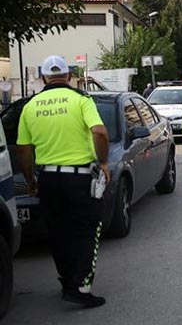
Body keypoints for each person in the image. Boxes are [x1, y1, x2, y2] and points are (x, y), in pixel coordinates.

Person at [16, 55, 111, 308]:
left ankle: (67, 283)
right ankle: (81, 286)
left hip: (48, 178)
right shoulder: (81, 100)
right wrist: (103, 162)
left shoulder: (30, 106)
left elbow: (23, 149)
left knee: (58, 233)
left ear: (44, 77)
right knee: (86, 230)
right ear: (69, 76)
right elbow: (99, 132)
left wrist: (30, 179)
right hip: (79, 178)